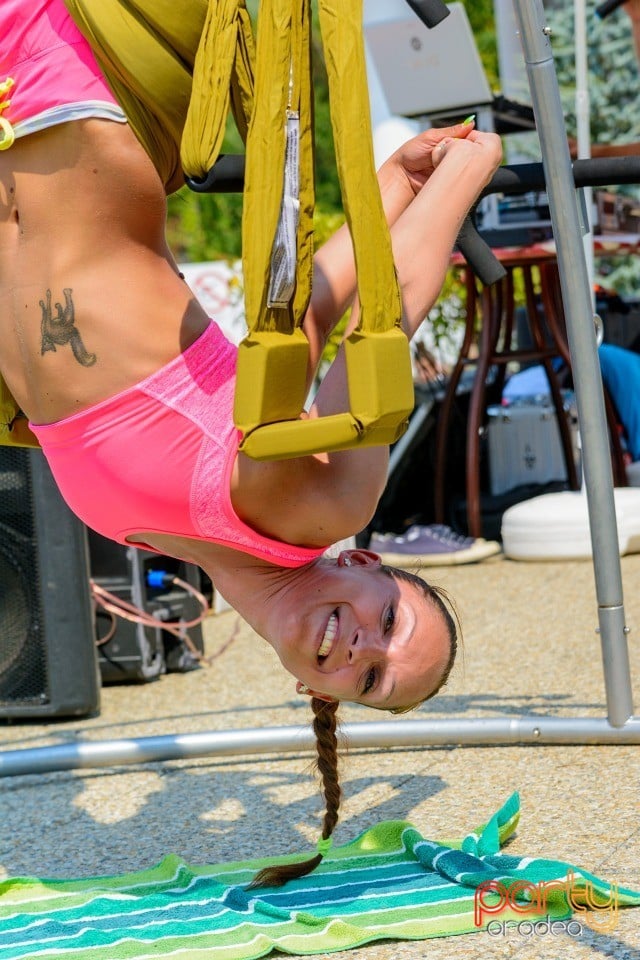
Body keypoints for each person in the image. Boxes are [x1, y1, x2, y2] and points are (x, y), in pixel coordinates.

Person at [0, 0, 502, 885]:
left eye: (373, 681)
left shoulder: (183, 534)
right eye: (391, 622)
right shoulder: (319, 507)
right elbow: (377, 332)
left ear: (325, 696)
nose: (364, 649)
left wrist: (393, 183)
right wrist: (465, 174)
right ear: (367, 563)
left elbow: (299, 314)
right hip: (63, 93)